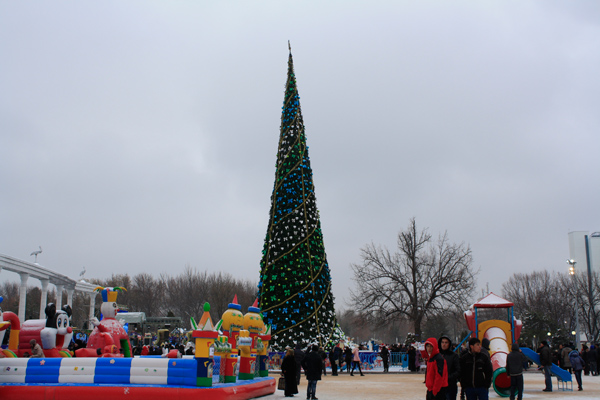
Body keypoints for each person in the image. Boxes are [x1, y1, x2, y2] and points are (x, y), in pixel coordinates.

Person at [439, 335, 460, 400]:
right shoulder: (437, 355)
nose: (444, 344)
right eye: (442, 342)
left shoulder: (454, 356)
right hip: (439, 386)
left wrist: (449, 377)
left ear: (449, 344)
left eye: (446, 342)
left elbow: (458, 370)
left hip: (450, 385)